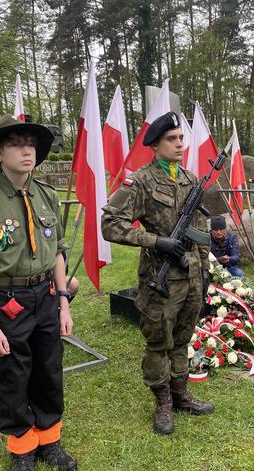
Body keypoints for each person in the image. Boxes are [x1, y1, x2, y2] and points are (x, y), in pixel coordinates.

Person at [0, 115, 76, 471]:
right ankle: (22, 449)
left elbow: (58, 253)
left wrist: (64, 302)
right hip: (7, 297)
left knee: (49, 368)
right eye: (15, 144)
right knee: (13, 374)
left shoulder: (47, 195)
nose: (26, 150)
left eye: (31, 143)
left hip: (45, 294)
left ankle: (49, 441)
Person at [101, 111, 214, 435]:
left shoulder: (190, 179)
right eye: (172, 139)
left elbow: (199, 229)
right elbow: (110, 223)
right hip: (160, 280)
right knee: (158, 342)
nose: (179, 144)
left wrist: (204, 268)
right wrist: (155, 241)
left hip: (190, 276)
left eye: (181, 138)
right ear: (155, 144)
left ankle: (180, 394)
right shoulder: (140, 181)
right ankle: (162, 400)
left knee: (182, 339)